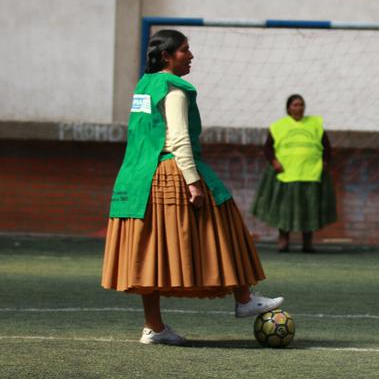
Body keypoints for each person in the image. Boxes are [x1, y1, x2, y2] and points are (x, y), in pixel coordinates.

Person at [102, 29, 283, 345]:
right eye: (185, 50)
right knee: (224, 224)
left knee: (150, 250)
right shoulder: (174, 89)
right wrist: (194, 183)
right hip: (169, 169)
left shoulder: (144, 86)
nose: (191, 55)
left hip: (136, 175)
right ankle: (244, 299)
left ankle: (154, 327)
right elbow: (179, 138)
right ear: (167, 56)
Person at [251, 94, 337, 253]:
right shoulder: (278, 126)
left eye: (301, 105)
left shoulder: (315, 124)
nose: (299, 108)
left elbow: (327, 147)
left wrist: (325, 163)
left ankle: (308, 243)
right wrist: (274, 162)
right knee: (285, 209)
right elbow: (268, 148)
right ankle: (283, 241)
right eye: (295, 105)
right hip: (286, 175)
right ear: (288, 108)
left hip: (311, 174)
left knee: (309, 208)